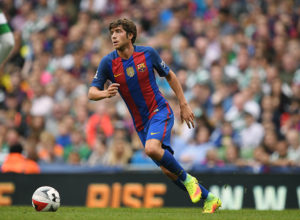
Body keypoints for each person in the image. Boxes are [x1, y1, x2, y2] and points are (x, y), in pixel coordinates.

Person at [88, 18, 221, 213]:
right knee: (168, 170)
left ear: (130, 35)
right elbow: (91, 93)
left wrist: (184, 104)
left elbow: (170, 76)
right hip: (141, 125)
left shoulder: (147, 53)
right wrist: (104, 93)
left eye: (118, 31)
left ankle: (189, 180)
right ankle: (210, 198)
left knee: (151, 149)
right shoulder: (108, 62)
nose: (114, 36)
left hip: (159, 111)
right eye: (112, 33)